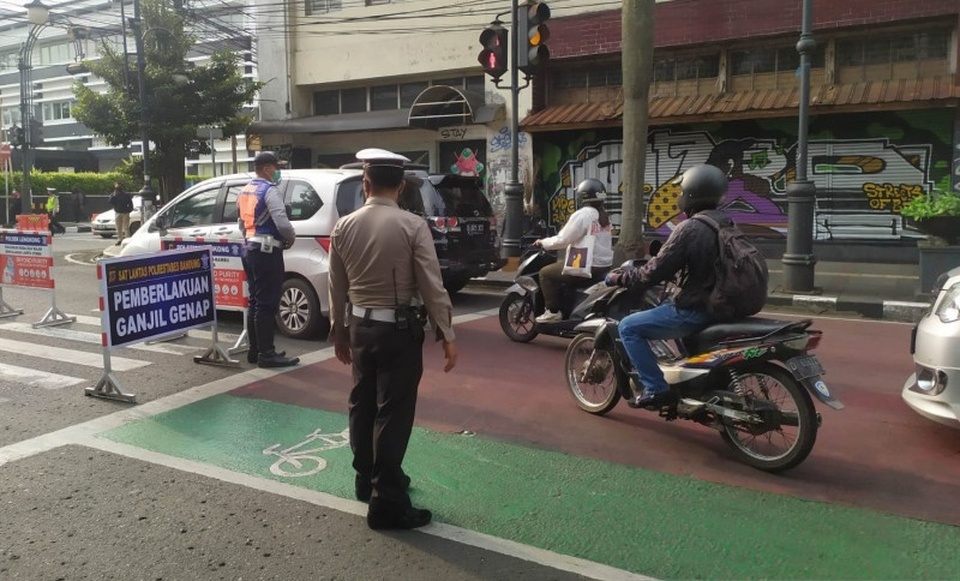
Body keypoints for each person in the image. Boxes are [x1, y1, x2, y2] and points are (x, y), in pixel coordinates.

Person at [328, 147, 458, 531]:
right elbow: (432, 285)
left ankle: (366, 479)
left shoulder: (343, 226)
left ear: (365, 184)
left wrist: (339, 331)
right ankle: (386, 502)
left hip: (360, 329)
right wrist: (446, 332)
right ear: (401, 187)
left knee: (362, 404)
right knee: (393, 414)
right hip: (399, 331)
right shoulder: (412, 226)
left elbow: (337, 285)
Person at [604, 164, 728, 408]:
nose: (680, 196)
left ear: (691, 194)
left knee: (628, 327)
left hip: (696, 309)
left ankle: (656, 388)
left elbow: (653, 272)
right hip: (723, 305)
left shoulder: (690, 228)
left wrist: (620, 278)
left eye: (682, 191)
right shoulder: (725, 222)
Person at [237, 151, 300, 369]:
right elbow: (281, 221)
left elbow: (241, 224)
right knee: (267, 303)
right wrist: (291, 238)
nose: (277, 171)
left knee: (255, 301)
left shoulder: (245, 190)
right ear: (265, 169)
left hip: (249, 248)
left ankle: (256, 350)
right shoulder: (269, 190)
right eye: (275, 167)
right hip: (266, 250)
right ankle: (267, 354)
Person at [531, 178, 614, 323]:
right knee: (563, 270)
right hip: (603, 266)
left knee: (545, 273)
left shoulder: (583, 214)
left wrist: (542, 242)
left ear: (583, 196)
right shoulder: (604, 216)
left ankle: (552, 312)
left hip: (587, 265)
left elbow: (563, 239)